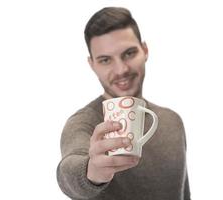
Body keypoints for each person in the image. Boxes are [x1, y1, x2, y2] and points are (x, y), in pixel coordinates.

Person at [56, 7, 191, 200]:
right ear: (92, 64)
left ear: (145, 50)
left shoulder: (172, 121)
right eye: (105, 60)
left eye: (129, 53)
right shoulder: (82, 123)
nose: (121, 70)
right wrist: (92, 172)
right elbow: (68, 172)